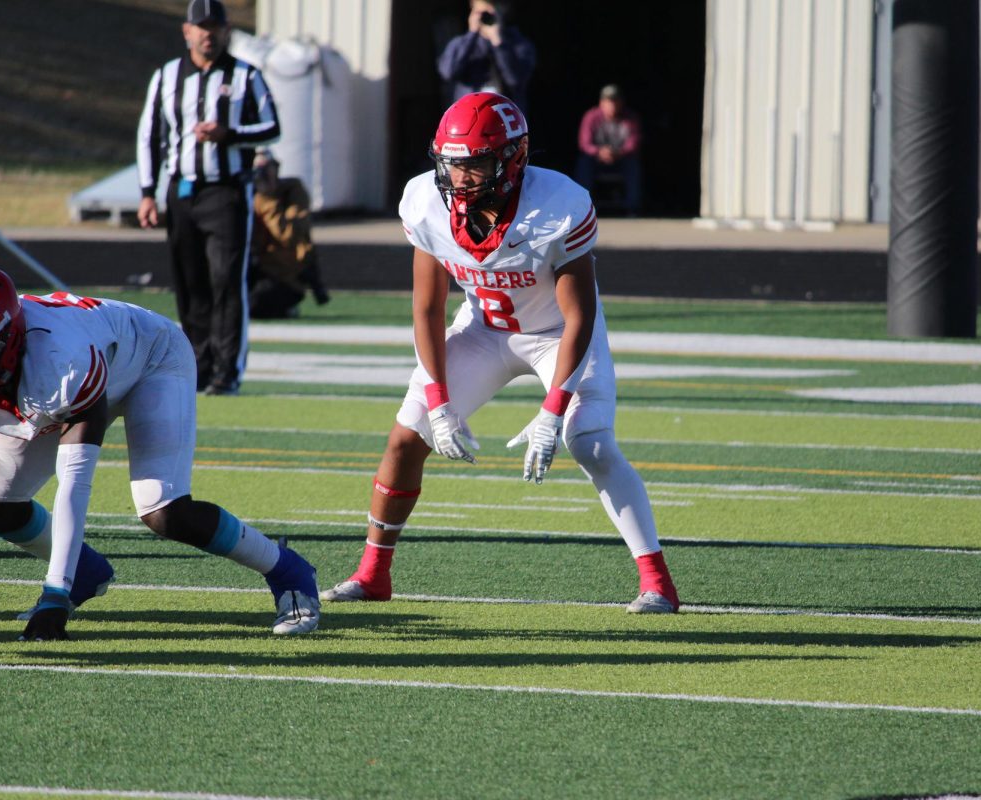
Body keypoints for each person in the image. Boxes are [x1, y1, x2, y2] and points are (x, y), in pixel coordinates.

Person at [318, 92, 680, 614]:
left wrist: (552, 411)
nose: (460, 177)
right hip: (484, 328)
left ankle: (658, 583)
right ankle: (373, 573)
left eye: (475, 164)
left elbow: (579, 316)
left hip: (557, 333)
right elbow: (428, 309)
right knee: (405, 438)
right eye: (452, 164)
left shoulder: (557, 205)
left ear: (514, 158)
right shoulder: (426, 203)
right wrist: (439, 404)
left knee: (591, 445)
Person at [0, 265, 320, 641]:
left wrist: (54, 593)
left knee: (162, 508)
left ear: (6, 344)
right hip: (48, 386)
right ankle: (87, 573)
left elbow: (74, 483)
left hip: (150, 359)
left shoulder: (62, 362)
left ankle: (288, 571)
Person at [137, 0, 280, 395]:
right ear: (187, 31)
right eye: (201, 27)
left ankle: (227, 370)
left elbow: (272, 127)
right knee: (190, 281)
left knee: (226, 280)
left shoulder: (246, 75)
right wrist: (148, 192)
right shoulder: (166, 76)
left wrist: (228, 133)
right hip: (181, 191)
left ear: (226, 31)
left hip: (227, 191)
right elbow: (150, 135)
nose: (208, 34)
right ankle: (197, 364)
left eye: (215, 26)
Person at [249, 152, 330, 319]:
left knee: (253, 304)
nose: (262, 174)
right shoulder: (248, 193)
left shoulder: (291, 191)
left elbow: (289, 235)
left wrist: (267, 199)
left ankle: (286, 308)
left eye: (266, 168)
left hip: (285, 276)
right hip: (257, 270)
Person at [437, 1, 535, 114]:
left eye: (491, 12)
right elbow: (448, 72)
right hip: (470, 118)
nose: (485, 17)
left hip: (507, 121)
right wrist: (471, 35)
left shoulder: (519, 44)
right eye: (481, 12)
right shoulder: (461, 44)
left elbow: (515, 80)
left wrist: (498, 42)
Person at [575, 84, 643, 217]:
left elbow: (634, 143)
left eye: (615, 101)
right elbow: (584, 143)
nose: (612, 105)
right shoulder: (591, 116)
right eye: (609, 101)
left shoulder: (630, 118)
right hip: (597, 159)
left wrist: (618, 153)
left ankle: (632, 208)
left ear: (621, 102)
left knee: (633, 164)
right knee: (584, 163)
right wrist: (600, 152)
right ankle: (583, 208)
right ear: (602, 103)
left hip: (621, 159)